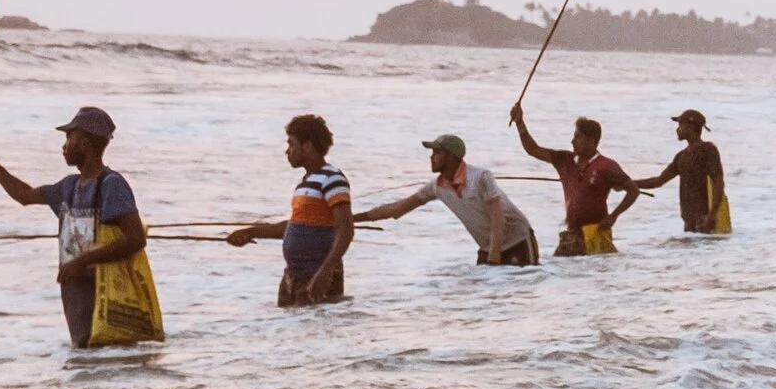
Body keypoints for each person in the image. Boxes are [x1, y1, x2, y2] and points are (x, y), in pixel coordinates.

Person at [0, 105, 154, 350]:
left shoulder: (111, 185)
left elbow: (135, 238)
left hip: (105, 294)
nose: (64, 145)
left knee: (107, 359)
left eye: (70, 137)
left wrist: (80, 262)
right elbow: (24, 195)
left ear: (87, 142)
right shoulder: (67, 188)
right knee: (86, 361)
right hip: (75, 294)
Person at [354, 131, 541, 266]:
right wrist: (353, 218)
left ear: (451, 157)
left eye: (437, 152)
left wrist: (493, 260)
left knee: (519, 294)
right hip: (488, 248)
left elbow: (497, 218)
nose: (431, 157)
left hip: (518, 241)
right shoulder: (437, 186)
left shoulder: (481, 177)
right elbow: (398, 209)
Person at [228, 112, 353, 306]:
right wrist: (250, 232)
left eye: (291, 144)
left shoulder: (332, 178)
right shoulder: (305, 183)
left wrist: (325, 272)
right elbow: (294, 227)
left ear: (308, 147)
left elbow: (346, 229)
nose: (287, 151)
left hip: (316, 277)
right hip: (293, 278)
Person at [509, 101, 639, 254]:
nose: (572, 141)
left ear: (591, 140)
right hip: (571, 235)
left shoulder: (607, 166)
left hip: (595, 233)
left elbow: (633, 190)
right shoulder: (564, 160)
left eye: (578, 137)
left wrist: (613, 216)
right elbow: (533, 149)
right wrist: (520, 123)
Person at [633, 110, 729, 235]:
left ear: (691, 127)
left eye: (680, 125)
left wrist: (712, 214)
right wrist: (629, 183)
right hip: (689, 222)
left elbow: (718, 182)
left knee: (702, 251)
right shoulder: (681, 156)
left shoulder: (708, 150)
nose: (677, 130)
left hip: (705, 220)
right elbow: (658, 181)